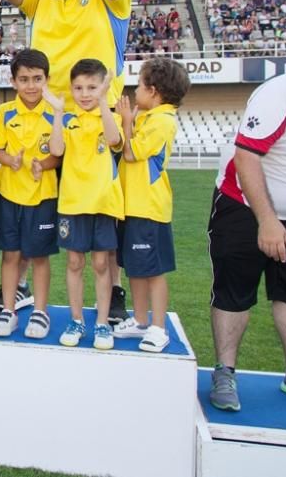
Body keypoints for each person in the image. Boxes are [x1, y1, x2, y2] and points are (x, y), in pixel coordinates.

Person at [0, 0, 133, 319]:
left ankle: (113, 296)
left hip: (97, 124)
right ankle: (22, 289)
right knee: (35, 209)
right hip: (50, 121)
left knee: (102, 215)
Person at [208, 33, 286, 412]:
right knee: (234, 293)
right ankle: (225, 371)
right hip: (243, 204)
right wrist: (268, 220)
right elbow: (247, 158)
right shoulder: (283, 94)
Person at [45, 60, 124, 350]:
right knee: (75, 262)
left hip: (103, 203)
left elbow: (115, 140)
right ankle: (76, 320)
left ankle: (101, 324)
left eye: (92, 87)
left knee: (102, 263)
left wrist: (104, 101)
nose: (85, 93)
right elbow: (56, 150)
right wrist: (57, 112)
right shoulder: (67, 119)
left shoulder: (108, 117)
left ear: (103, 87)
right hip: (73, 203)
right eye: (78, 87)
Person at [113, 59, 190, 352]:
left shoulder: (162, 121)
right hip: (131, 205)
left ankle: (158, 327)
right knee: (135, 267)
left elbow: (132, 153)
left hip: (149, 207)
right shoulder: (149, 116)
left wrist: (127, 121)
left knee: (153, 270)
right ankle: (141, 320)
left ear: (154, 91)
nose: (135, 92)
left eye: (140, 86)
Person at [0, 49, 60, 339]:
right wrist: (11, 161)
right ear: (13, 81)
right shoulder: (5, 112)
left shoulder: (56, 113)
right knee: (10, 255)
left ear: (46, 79)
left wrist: (41, 165)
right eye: (24, 79)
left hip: (43, 196)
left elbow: (58, 155)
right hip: (9, 194)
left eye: (36, 79)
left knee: (40, 256)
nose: (31, 86)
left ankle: (40, 312)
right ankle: (9, 310)